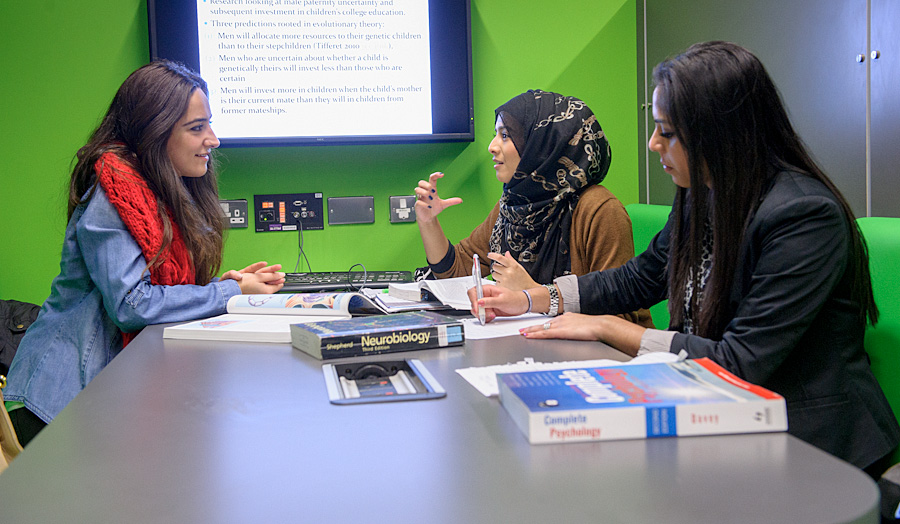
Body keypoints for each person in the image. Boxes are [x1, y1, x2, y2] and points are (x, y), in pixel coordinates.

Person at [473, 42, 900, 473]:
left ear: (721, 132)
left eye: (668, 132)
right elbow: (638, 279)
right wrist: (533, 300)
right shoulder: (705, 195)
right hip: (722, 416)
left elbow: (741, 362)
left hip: (813, 447)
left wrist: (607, 327)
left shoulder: (804, 216)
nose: (653, 143)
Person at [4, 60, 285, 445]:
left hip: (103, 399)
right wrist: (229, 294)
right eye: (197, 128)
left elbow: (157, 288)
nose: (213, 139)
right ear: (155, 131)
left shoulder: (162, 190)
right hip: (62, 405)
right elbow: (132, 305)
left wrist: (224, 287)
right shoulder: (112, 194)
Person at [414, 90, 651, 327]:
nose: (492, 147)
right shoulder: (515, 204)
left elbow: (620, 315)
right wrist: (428, 221)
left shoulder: (599, 210)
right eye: (496, 135)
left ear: (543, 145)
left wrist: (532, 294)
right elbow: (460, 269)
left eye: (505, 135)